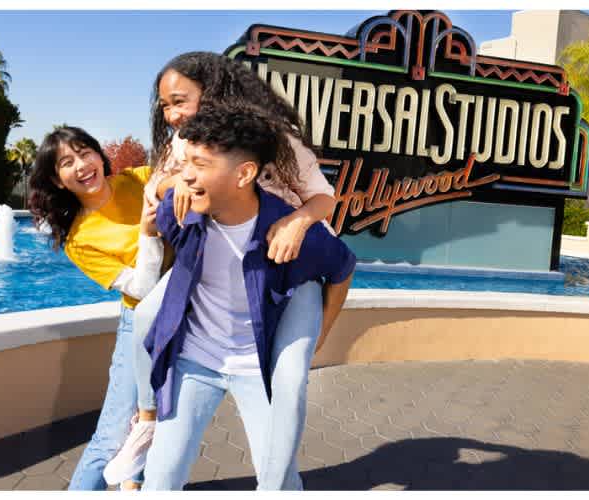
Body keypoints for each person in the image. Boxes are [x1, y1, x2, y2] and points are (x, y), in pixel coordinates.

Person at [102, 51, 340, 490]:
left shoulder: (276, 139)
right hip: (220, 261)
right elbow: (160, 187)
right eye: (165, 107)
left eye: (180, 101)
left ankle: (276, 479)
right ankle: (147, 419)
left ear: (213, 92)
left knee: (287, 380)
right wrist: (174, 183)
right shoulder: (187, 144)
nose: (171, 115)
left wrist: (295, 220)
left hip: (287, 261)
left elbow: (325, 201)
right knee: (147, 316)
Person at [140, 103, 355, 490]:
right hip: (195, 359)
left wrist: (320, 334)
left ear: (244, 173)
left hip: (257, 368)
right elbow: (165, 243)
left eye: (201, 164)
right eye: (185, 161)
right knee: (160, 477)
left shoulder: (291, 232)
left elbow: (343, 269)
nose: (185, 175)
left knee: (278, 481)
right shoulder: (182, 210)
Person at [27, 126, 165, 491]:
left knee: (159, 425)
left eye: (85, 152)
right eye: (67, 162)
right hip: (140, 323)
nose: (82, 165)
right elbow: (141, 288)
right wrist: (148, 233)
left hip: (185, 312)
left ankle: (134, 484)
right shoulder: (79, 238)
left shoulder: (138, 180)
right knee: (113, 436)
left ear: (99, 156)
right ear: (57, 181)